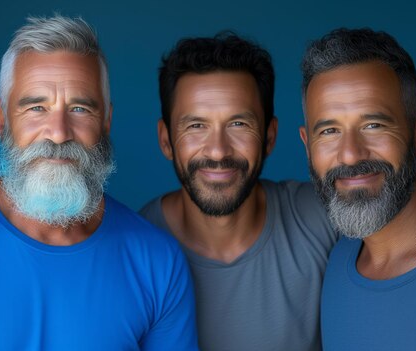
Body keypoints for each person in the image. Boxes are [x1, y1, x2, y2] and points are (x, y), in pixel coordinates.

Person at [0, 15, 197, 351]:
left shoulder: (158, 261)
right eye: (36, 108)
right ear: (2, 120)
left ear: (106, 121)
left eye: (79, 109)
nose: (58, 132)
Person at [139, 33, 338, 350]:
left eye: (239, 124)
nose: (218, 151)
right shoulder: (134, 251)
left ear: (270, 137)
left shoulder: (324, 221)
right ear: (166, 140)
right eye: (196, 126)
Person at [300, 28, 416, 350]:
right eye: (328, 131)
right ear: (307, 145)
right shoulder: (339, 260)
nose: (351, 154)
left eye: (373, 125)